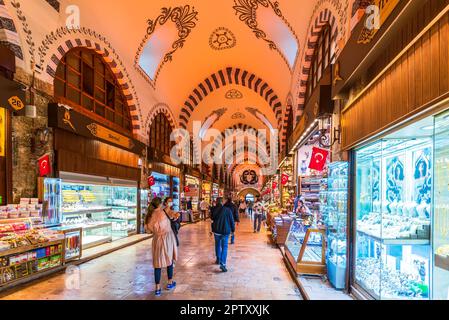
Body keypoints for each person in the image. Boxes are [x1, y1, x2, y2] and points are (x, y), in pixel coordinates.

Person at [145, 197, 178, 297]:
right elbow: (174, 216)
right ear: (160, 204)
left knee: (157, 264)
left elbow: (148, 230)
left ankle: (157, 288)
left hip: (156, 240)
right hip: (167, 238)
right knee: (169, 261)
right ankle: (169, 283)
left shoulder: (149, 215)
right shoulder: (164, 212)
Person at [211, 197, 235, 272]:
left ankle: (218, 258)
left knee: (217, 244)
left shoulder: (213, 209)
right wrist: (233, 230)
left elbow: (212, 219)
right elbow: (231, 220)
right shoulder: (227, 210)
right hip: (225, 231)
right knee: (224, 247)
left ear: (216, 202)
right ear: (222, 202)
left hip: (217, 230)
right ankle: (223, 263)